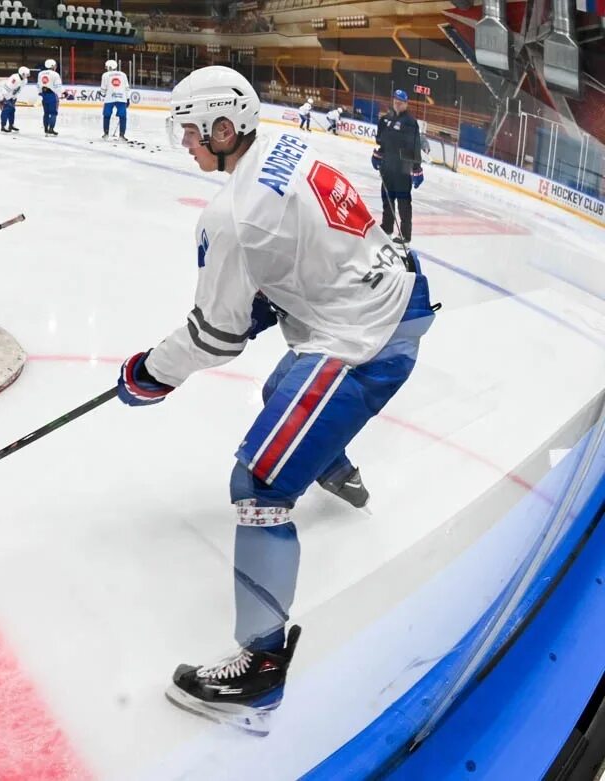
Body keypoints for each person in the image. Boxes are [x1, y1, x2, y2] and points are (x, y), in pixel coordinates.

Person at [117, 66, 435, 735]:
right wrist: (271, 297)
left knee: (258, 479)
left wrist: (149, 373)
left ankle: (261, 667)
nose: (186, 146)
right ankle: (335, 466)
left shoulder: (230, 213)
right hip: (393, 292)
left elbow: (214, 337)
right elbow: (306, 246)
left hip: (366, 337)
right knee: (279, 394)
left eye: (191, 133)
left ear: (224, 128)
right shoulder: (288, 146)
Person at [373, 89, 424, 244]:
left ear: (406, 104)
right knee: (387, 199)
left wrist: (416, 168)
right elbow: (383, 142)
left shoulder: (410, 122)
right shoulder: (387, 119)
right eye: (395, 101)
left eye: (400, 102)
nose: (397, 104)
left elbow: (414, 147)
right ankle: (387, 227)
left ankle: (405, 235)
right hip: (387, 167)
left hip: (402, 170)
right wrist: (378, 155)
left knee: (403, 202)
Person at [101, 59, 130, 141]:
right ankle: (122, 135)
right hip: (122, 98)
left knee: (106, 115)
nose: (106, 68)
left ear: (110, 67)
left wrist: (102, 93)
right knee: (123, 117)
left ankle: (106, 133)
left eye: (107, 67)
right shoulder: (123, 74)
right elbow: (127, 87)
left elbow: (103, 89)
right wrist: (128, 98)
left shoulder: (105, 75)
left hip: (109, 98)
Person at [37, 59, 62, 136]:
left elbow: (38, 85)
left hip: (44, 94)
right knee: (53, 113)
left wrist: (41, 93)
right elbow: (58, 87)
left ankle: (45, 128)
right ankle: (51, 129)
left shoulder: (40, 74)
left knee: (46, 113)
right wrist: (60, 95)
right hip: (52, 95)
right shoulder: (55, 74)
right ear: (52, 66)